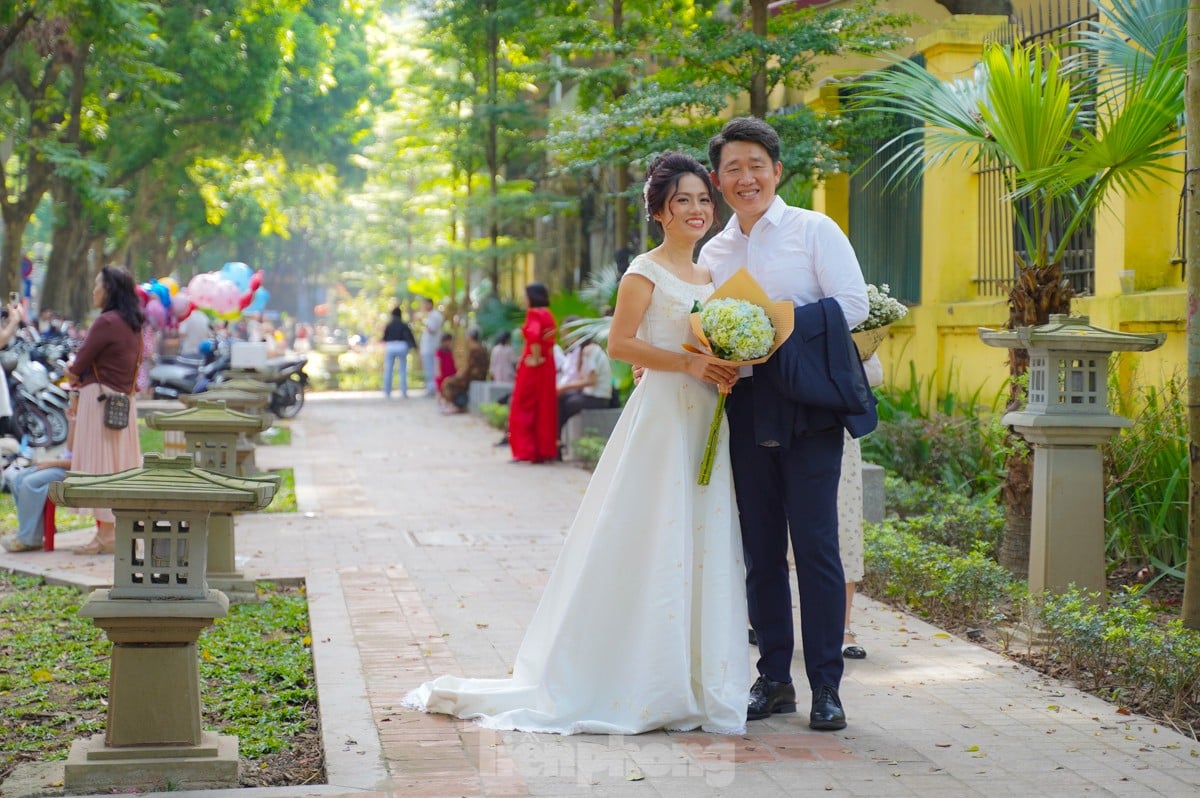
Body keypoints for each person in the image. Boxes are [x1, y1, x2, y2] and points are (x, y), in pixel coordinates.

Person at [404, 152, 745, 734]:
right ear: (660, 210)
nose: (697, 209)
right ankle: (637, 677)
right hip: (663, 417)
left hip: (707, 414)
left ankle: (696, 678)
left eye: (704, 200)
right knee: (653, 535)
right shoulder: (645, 271)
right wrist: (688, 364)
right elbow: (620, 344)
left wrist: (726, 363)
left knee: (704, 537)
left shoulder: (713, 274)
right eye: (684, 200)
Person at [698, 117, 869, 731]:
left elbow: (853, 305)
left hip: (808, 405)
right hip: (744, 403)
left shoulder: (813, 229)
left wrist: (778, 323)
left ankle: (827, 685)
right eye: (733, 169)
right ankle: (773, 679)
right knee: (760, 549)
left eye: (756, 165)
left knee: (817, 548)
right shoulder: (714, 251)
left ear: (777, 171)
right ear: (718, 182)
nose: (746, 178)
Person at [63, 266, 145, 556]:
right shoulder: (133, 323)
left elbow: (80, 363)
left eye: (97, 285)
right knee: (118, 467)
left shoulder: (106, 322)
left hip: (98, 403)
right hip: (124, 404)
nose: (93, 290)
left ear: (108, 289)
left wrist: (70, 371)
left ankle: (106, 536)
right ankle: (112, 532)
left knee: (99, 468)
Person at [839, 353, 884, 660]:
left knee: (843, 527)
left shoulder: (846, 310)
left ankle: (843, 628)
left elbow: (875, 372)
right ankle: (760, 621)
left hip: (836, 428)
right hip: (779, 422)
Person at [506, 283, 559, 464]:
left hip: (534, 365)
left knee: (523, 405)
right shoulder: (548, 314)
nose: (523, 299)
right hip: (547, 366)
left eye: (525, 295)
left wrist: (535, 358)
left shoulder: (534, 314)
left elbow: (534, 336)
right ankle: (542, 450)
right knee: (544, 405)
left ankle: (526, 450)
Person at [0, 427, 71, 553]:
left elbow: (82, 462)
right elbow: (70, 449)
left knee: (30, 483)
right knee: (18, 479)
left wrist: (53, 463)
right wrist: (73, 421)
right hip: (63, 464)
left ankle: (29, 539)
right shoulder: (78, 420)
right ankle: (33, 532)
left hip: (72, 468)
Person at [556, 332, 613, 436]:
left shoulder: (589, 350)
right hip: (591, 396)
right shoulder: (586, 350)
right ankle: (557, 438)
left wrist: (563, 388)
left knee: (563, 403)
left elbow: (591, 380)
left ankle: (556, 438)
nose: (565, 338)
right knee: (562, 399)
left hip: (597, 398)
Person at [440, 328, 489, 414]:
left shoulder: (474, 349)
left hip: (472, 377)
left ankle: (455, 405)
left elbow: (469, 367)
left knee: (448, 382)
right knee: (453, 381)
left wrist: (460, 374)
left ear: (470, 337)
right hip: (479, 376)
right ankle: (457, 404)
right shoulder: (482, 348)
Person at [381, 306, 416, 399]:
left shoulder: (389, 325)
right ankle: (403, 392)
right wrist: (415, 346)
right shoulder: (404, 325)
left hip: (391, 346)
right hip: (402, 346)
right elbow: (410, 337)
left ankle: (387, 392)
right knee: (403, 370)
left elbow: (384, 337)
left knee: (388, 370)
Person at [418, 298, 444, 397]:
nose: (424, 307)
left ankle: (432, 388)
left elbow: (432, 330)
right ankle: (431, 388)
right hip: (429, 347)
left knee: (431, 368)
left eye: (425, 304)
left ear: (430, 304)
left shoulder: (434, 316)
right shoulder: (430, 316)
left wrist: (423, 322)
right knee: (430, 368)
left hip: (431, 347)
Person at [433, 332, 457, 409]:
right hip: (442, 374)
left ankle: (446, 404)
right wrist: (438, 371)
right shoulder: (439, 351)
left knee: (448, 390)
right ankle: (439, 404)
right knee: (440, 390)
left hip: (450, 373)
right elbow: (438, 362)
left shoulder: (450, 351)